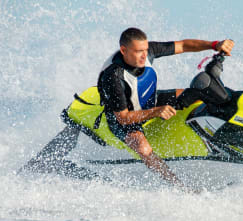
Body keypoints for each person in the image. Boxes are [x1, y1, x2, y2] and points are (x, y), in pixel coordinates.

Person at [97, 27, 234, 189]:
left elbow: (183, 45)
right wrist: (157, 111)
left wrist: (214, 44)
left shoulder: (148, 51)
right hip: (122, 117)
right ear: (123, 50)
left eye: (145, 50)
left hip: (148, 100)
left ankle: (227, 137)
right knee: (143, 148)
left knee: (200, 92)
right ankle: (180, 187)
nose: (144, 55)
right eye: (139, 51)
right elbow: (123, 117)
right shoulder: (113, 77)